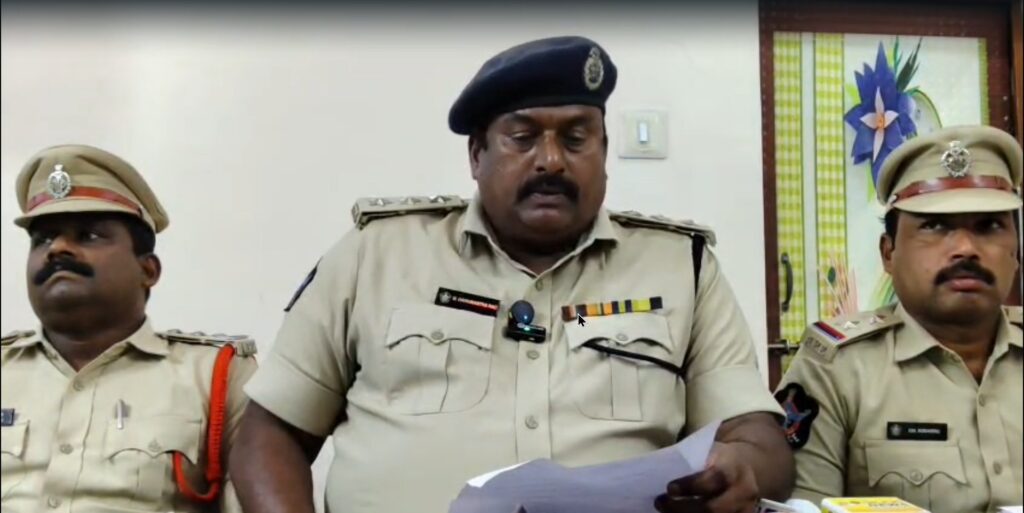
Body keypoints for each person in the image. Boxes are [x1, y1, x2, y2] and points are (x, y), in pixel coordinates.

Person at [231, 36, 793, 513]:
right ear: (477, 155)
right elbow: (269, 433)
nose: (551, 160)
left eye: (576, 138)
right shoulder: (374, 255)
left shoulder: (681, 267)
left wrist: (743, 466)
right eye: (522, 138)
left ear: (604, 152)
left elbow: (759, 439)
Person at [775, 125, 1023, 512]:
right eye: (935, 226)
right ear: (888, 253)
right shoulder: (837, 369)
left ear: (1016, 251)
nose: (965, 248)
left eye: (989, 225)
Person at [0, 144, 257, 512]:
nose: (57, 249)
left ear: (147, 270)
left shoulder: (215, 375)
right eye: (43, 239)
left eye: (88, 235)